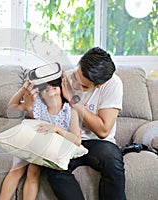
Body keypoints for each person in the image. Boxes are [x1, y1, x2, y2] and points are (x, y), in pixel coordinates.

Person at [45, 47, 126, 200]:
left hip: (98, 142)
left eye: (83, 86)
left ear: (99, 85)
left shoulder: (113, 85)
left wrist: (73, 101)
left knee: (112, 160)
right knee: (53, 165)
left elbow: (103, 131)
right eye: (76, 77)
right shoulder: (63, 79)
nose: (75, 84)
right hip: (69, 139)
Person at [0, 75, 81, 200]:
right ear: (41, 95)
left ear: (61, 89)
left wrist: (57, 129)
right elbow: (11, 106)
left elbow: (77, 140)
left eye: (54, 84)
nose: (50, 87)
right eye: (45, 87)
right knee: (16, 169)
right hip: (30, 143)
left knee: (33, 169)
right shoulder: (37, 107)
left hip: (46, 149)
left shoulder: (70, 111)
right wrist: (23, 89)